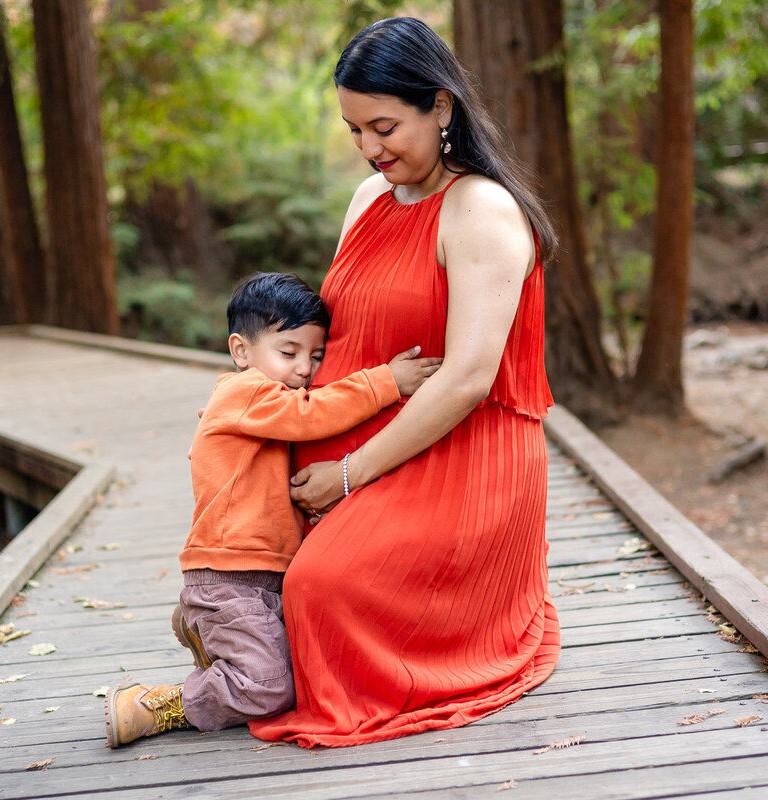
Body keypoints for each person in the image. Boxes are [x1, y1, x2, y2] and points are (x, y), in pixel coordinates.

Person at [248, 17, 561, 748]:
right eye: (355, 130)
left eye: (385, 126)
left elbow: (467, 380)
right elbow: (332, 334)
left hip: (461, 456)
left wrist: (349, 475)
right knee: (238, 578)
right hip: (350, 437)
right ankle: (247, 669)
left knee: (315, 589)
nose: (370, 148)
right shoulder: (368, 200)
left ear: (442, 107)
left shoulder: (480, 210)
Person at [105, 272, 440, 747]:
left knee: (298, 671)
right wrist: (385, 381)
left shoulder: (262, 407)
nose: (305, 368)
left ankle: (202, 625)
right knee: (270, 687)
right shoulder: (246, 393)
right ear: (241, 351)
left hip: (265, 575)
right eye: (289, 352)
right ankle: (157, 702)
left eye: (316, 355)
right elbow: (312, 413)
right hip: (230, 574)